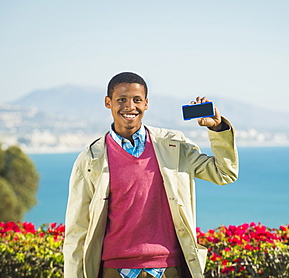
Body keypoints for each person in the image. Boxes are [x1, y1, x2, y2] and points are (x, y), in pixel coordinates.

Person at [63, 72, 238, 278]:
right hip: (114, 271)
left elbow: (224, 172)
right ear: (108, 103)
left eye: (137, 100)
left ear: (146, 104)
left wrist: (217, 129)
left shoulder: (173, 145)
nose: (130, 107)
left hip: (168, 270)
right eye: (121, 100)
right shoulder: (90, 159)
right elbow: (77, 230)